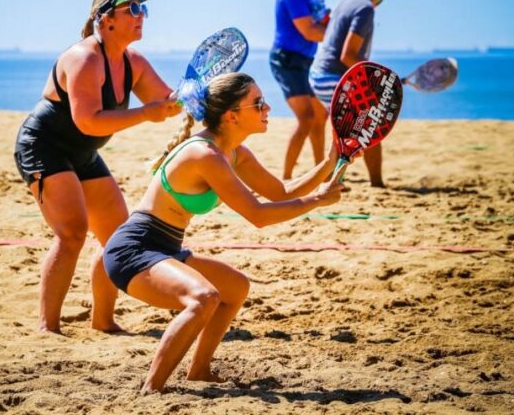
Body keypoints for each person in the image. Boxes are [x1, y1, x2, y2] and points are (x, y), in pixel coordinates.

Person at [103, 73, 351, 393]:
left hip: (164, 248)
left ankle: (199, 370)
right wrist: (318, 200)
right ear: (232, 115)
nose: (268, 108)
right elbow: (258, 215)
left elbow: (280, 191)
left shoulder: (234, 152)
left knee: (234, 288)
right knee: (204, 298)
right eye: (258, 103)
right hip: (133, 251)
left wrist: (330, 161)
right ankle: (152, 389)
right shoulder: (204, 154)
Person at [13, 0, 182, 334]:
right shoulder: (84, 57)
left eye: (142, 9)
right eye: (132, 9)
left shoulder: (132, 61)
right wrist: (147, 114)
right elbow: (88, 120)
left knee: (117, 238)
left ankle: (102, 322)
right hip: (45, 147)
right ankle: (48, 327)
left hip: (82, 153)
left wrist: (194, 97)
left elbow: (166, 101)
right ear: (105, 19)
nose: (141, 16)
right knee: (72, 234)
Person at [310, 0, 397, 187]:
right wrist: (377, 80)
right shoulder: (365, 8)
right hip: (332, 76)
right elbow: (348, 55)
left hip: (320, 74)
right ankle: (374, 184)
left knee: (354, 127)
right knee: (370, 122)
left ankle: (334, 178)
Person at [271, 0, 331, 180]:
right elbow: (309, 30)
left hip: (305, 59)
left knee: (319, 116)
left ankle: (320, 171)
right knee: (306, 118)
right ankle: (286, 177)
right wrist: (339, 35)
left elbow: (319, 24)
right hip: (287, 60)